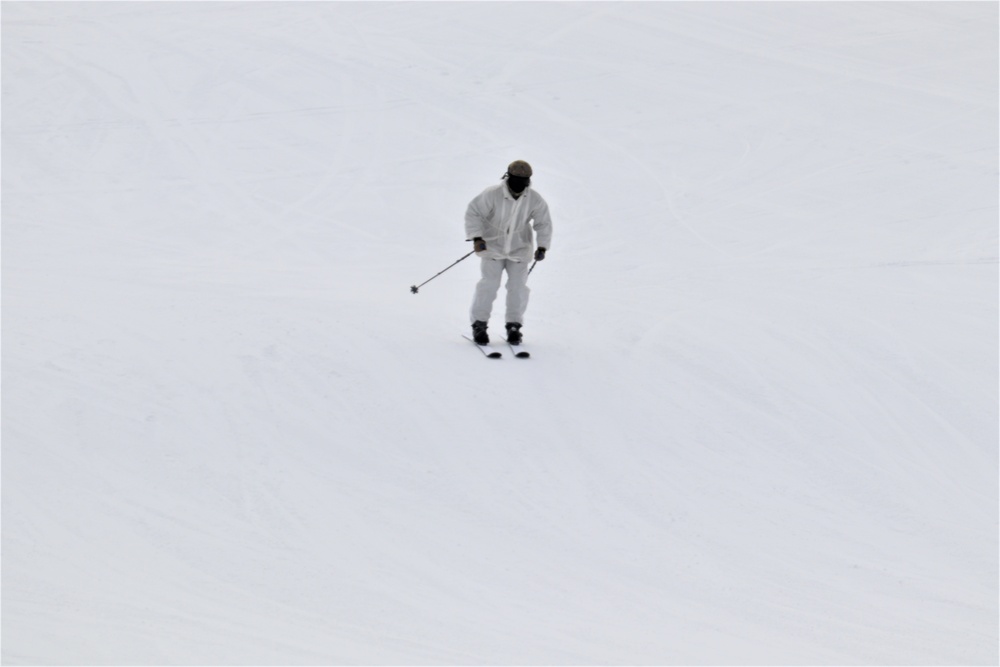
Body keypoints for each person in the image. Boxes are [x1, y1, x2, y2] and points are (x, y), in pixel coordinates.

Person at [465, 160, 553, 346]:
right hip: (492, 248)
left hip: (519, 249)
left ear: (529, 180)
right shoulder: (492, 194)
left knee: (518, 288)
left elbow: (543, 223)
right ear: (508, 177)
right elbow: (474, 213)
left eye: (524, 180)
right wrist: (477, 237)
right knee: (489, 285)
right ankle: (479, 324)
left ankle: (514, 326)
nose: (520, 184)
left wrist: (542, 246)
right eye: (516, 179)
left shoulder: (534, 199)